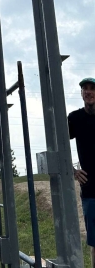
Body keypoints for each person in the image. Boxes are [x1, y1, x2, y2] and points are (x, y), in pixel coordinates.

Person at [69, 77, 95, 268]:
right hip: (91, 191)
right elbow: (57, 142)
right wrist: (72, 170)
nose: (88, 92)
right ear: (81, 94)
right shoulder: (75, 119)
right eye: (85, 89)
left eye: (92, 88)